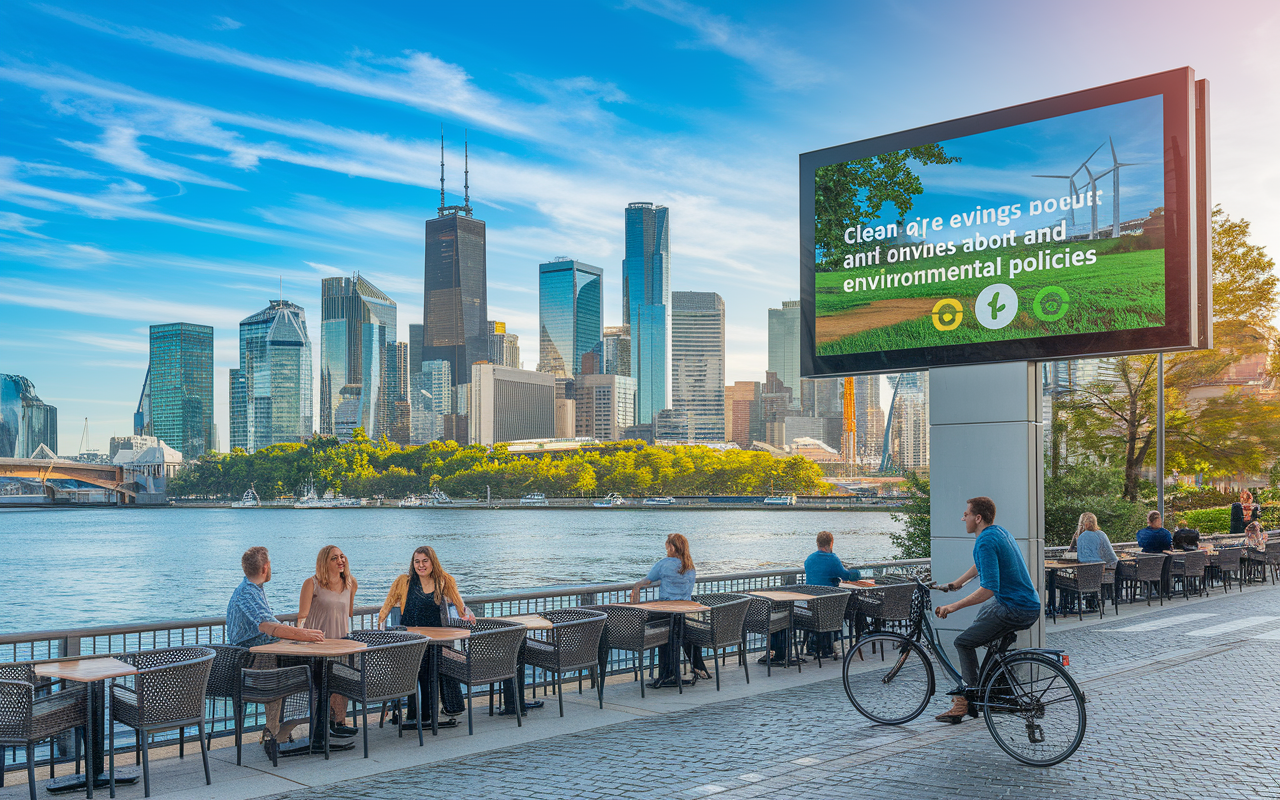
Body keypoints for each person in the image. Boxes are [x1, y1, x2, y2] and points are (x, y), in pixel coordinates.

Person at [933, 497, 1041, 723]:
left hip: (1014, 607)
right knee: (982, 620)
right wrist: (956, 584)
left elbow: (989, 589)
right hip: (1027, 603)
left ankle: (967, 698)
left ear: (978, 518)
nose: (963, 518)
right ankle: (987, 687)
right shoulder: (998, 532)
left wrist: (953, 606)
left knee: (963, 642)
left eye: (966, 514)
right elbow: (980, 564)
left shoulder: (984, 541)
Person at [226, 546, 333, 757]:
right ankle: (276, 733)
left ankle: (307, 727)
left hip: (255, 658)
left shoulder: (253, 589)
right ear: (266, 567)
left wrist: (297, 635)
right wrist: (305, 635)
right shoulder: (248, 592)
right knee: (309, 671)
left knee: (316, 669)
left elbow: (272, 627)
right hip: (249, 664)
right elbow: (268, 626)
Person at [378, 546, 476, 729]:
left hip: (435, 640)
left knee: (428, 675)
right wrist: (380, 624)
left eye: (425, 561)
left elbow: (459, 603)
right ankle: (415, 714)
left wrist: (467, 614)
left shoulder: (444, 581)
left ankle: (426, 716)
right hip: (410, 640)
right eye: (417, 561)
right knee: (415, 674)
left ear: (433, 562)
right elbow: (388, 604)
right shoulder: (403, 582)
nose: (420, 565)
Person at [631, 533, 710, 687]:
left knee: (661, 631)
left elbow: (646, 580)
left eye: (667, 546)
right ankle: (697, 666)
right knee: (682, 632)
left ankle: (667, 674)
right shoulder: (690, 566)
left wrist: (636, 587)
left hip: (666, 612)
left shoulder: (664, 564)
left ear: (672, 547)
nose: (666, 549)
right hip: (685, 613)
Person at [298, 545, 358, 739]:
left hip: (341, 642)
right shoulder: (312, 584)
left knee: (342, 685)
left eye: (342, 556)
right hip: (319, 645)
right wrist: (302, 639)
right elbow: (302, 617)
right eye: (334, 558)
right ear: (324, 562)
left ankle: (338, 723)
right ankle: (321, 729)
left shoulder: (350, 583)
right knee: (322, 688)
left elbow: (349, 613)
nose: (340, 560)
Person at [803, 531, 861, 658]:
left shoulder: (809, 559)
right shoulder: (832, 559)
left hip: (812, 604)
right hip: (829, 605)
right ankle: (856, 640)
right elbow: (846, 575)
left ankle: (815, 645)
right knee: (856, 608)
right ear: (831, 543)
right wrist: (858, 573)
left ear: (817, 543)